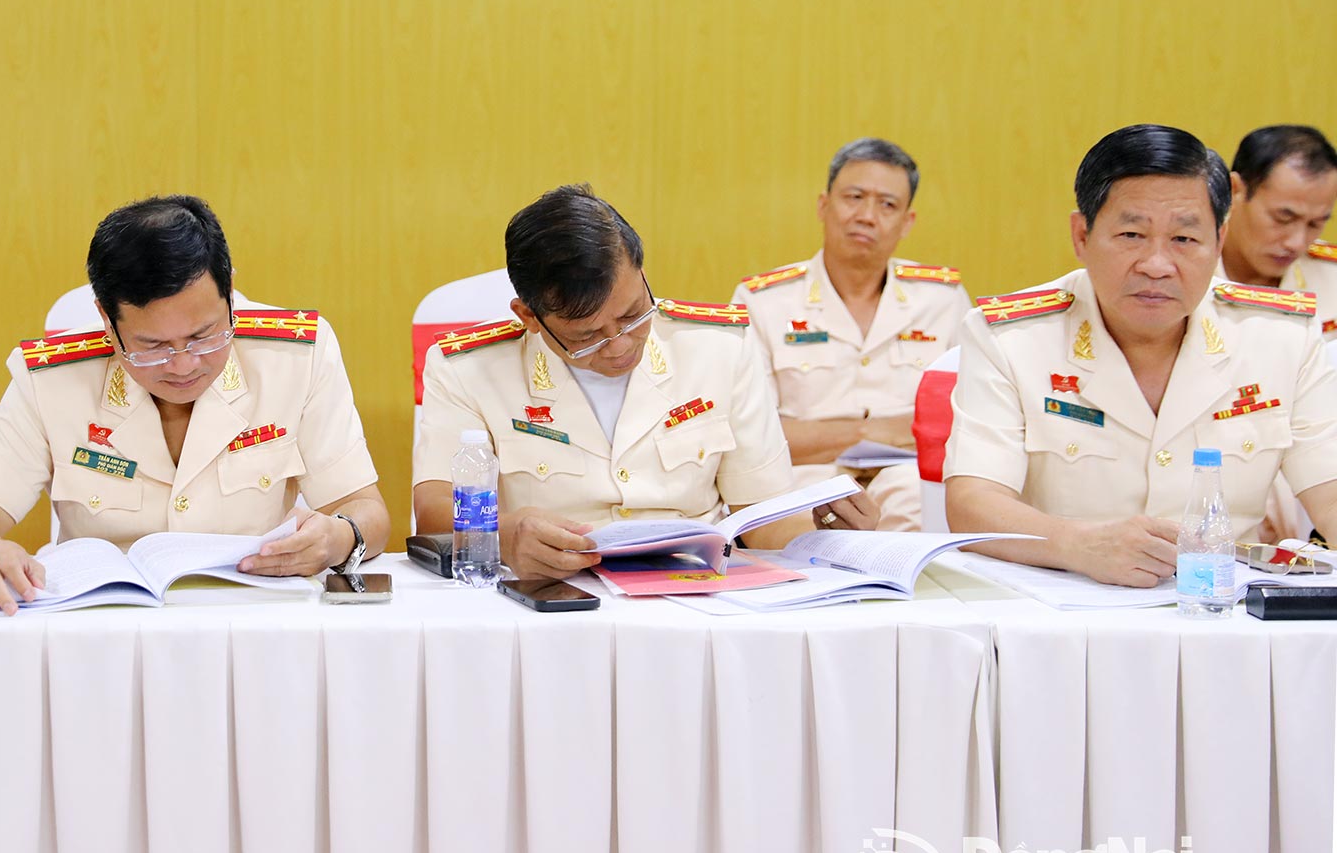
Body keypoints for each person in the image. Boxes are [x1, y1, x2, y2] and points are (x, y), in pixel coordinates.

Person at [0, 195, 390, 615]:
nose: (184, 365)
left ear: (229, 291)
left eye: (203, 335)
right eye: (152, 346)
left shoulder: (295, 356)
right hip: (105, 632)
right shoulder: (52, 380)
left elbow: (365, 508)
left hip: (254, 623)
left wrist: (339, 538)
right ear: (107, 321)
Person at [412, 184, 877, 585]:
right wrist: (505, 535)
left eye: (634, 315)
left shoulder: (718, 348)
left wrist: (828, 539)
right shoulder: (468, 368)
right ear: (529, 317)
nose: (618, 346)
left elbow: (762, 518)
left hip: (695, 592)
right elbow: (433, 509)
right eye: (586, 338)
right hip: (549, 596)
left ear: (643, 275)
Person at [945, 125, 1337, 585]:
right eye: (1131, 234)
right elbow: (972, 501)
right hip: (1061, 609)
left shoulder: (1282, 337)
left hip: (1224, 612)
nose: (1157, 265)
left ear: (1218, 239)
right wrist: (1076, 544)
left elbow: (1328, 492)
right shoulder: (1010, 338)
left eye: (1185, 240)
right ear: (1082, 234)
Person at [730, 138, 972, 531]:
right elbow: (750, 434)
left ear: (907, 222)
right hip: (805, 474)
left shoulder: (942, 299)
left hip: (909, 473)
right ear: (823, 206)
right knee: (799, 517)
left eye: (887, 205)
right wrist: (868, 432)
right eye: (854, 197)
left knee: (925, 503)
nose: (867, 215)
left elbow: (966, 419)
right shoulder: (763, 302)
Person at [1218, 125, 1337, 335]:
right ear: (1234, 190)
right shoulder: (1176, 268)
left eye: (1315, 224)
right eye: (1283, 218)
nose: (1297, 243)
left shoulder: (1331, 276)